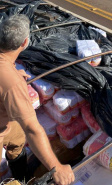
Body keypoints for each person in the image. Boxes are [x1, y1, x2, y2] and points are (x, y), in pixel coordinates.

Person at [0, 14, 75, 184]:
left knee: (17, 137)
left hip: (4, 121)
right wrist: (57, 167)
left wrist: (13, 76)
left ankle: (22, 175)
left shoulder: (8, 74)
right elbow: (33, 129)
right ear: (25, 42)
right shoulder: (12, 83)